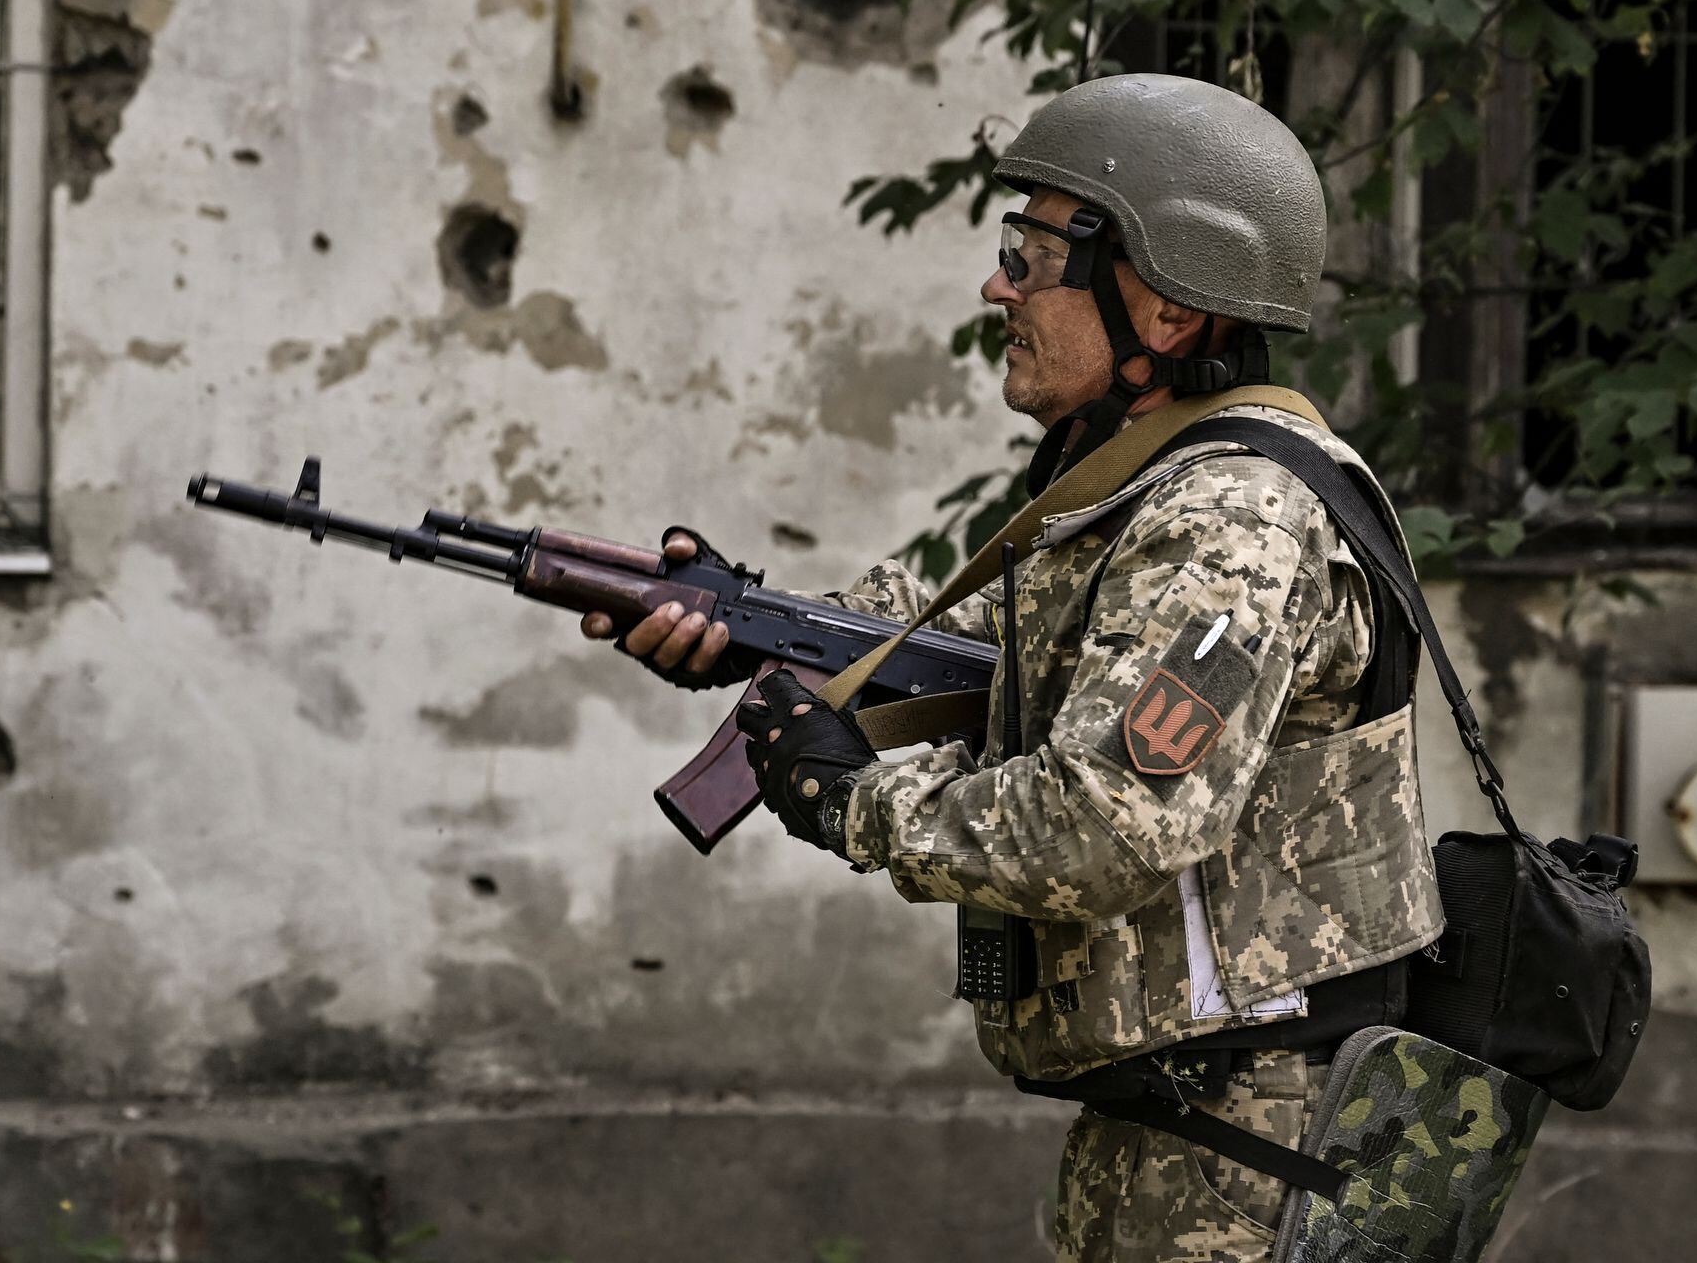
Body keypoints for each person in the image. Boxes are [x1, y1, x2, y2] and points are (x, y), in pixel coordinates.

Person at [598, 73, 1443, 1262]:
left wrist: (854, 799)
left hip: (1252, 1150)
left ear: (1160, 304)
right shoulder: (1144, 483)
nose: (999, 285)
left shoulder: (1232, 520)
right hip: (1188, 1125)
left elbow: (1101, 820)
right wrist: (765, 631)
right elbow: (1012, 664)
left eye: (1032, 254)